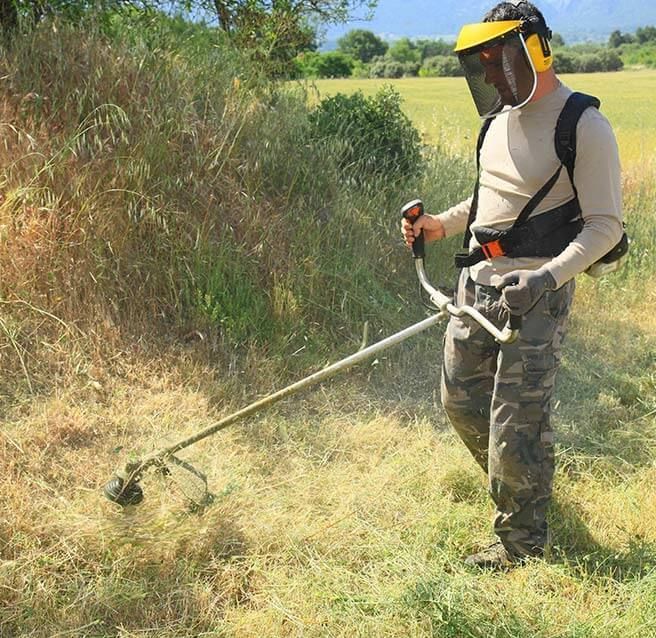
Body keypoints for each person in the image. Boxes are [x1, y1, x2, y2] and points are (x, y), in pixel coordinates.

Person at [401, 1, 623, 570]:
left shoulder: (583, 125)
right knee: (460, 401)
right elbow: (489, 202)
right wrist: (440, 225)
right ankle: (521, 488)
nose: (491, 77)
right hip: (477, 284)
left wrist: (546, 277)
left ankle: (522, 544)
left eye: (497, 62)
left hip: (538, 295)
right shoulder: (497, 120)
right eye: (483, 66)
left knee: (515, 421)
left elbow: (604, 227)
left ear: (535, 52)